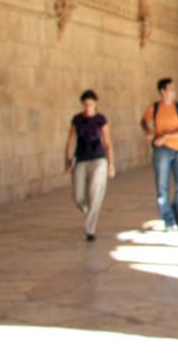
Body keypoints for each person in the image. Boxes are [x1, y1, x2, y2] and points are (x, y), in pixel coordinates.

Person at [64, 89, 115, 243]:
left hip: (99, 160)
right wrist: (67, 160)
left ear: (95, 104)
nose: (88, 107)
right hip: (81, 159)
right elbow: (70, 140)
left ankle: (90, 230)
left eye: (90, 104)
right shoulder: (77, 120)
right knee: (78, 197)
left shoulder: (101, 119)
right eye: (85, 104)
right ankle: (89, 211)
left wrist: (111, 164)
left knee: (95, 192)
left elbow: (107, 142)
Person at [141, 77, 178, 231]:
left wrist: (166, 137)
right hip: (161, 151)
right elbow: (143, 121)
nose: (174, 91)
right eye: (171, 88)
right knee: (161, 186)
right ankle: (168, 219)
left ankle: (176, 211)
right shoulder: (154, 108)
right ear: (163, 91)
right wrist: (148, 130)